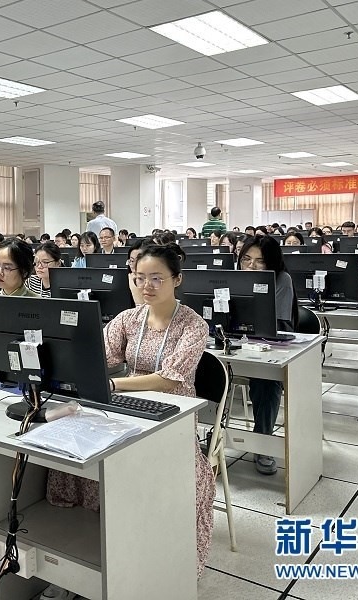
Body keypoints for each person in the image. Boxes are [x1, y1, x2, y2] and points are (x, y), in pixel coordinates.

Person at [46, 243, 213, 579]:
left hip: (174, 413)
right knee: (78, 449)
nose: (146, 286)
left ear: (177, 279)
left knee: (180, 477)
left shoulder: (193, 326)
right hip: (128, 405)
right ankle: (97, 543)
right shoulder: (128, 319)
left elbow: (169, 379)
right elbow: (101, 357)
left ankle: (169, 552)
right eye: (139, 278)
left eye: (156, 278)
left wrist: (113, 384)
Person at [238, 236, 296, 475]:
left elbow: (277, 323)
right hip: (235, 342)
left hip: (269, 344)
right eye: (246, 259)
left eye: (259, 261)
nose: (251, 266)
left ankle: (263, 443)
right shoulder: (233, 277)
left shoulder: (282, 279)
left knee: (266, 380)